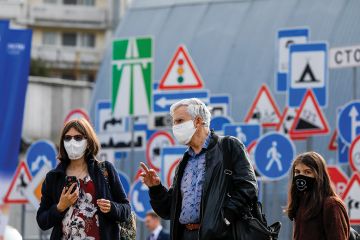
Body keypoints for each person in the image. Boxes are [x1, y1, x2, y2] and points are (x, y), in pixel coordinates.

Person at [140, 98, 258, 240]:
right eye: (174, 122)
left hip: (221, 235)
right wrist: (156, 188)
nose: (175, 127)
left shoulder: (229, 147)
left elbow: (248, 187)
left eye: (179, 121)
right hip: (186, 234)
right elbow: (168, 211)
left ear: (197, 121)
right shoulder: (184, 162)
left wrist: (225, 219)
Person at [36, 118, 131, 240]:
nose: (72, 142)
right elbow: (42, 221)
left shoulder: (104, 170)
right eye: (67, 138)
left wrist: (112, 208)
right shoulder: (53, 177)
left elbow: (126, 210)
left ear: (88, 141)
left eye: (78, 137)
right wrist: (60, 207)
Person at [285, 151, 350, 240]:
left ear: (319, 175)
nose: (301, 176)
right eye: (297, 172)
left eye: (307, 172)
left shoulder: (331, 205)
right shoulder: (301, 202)